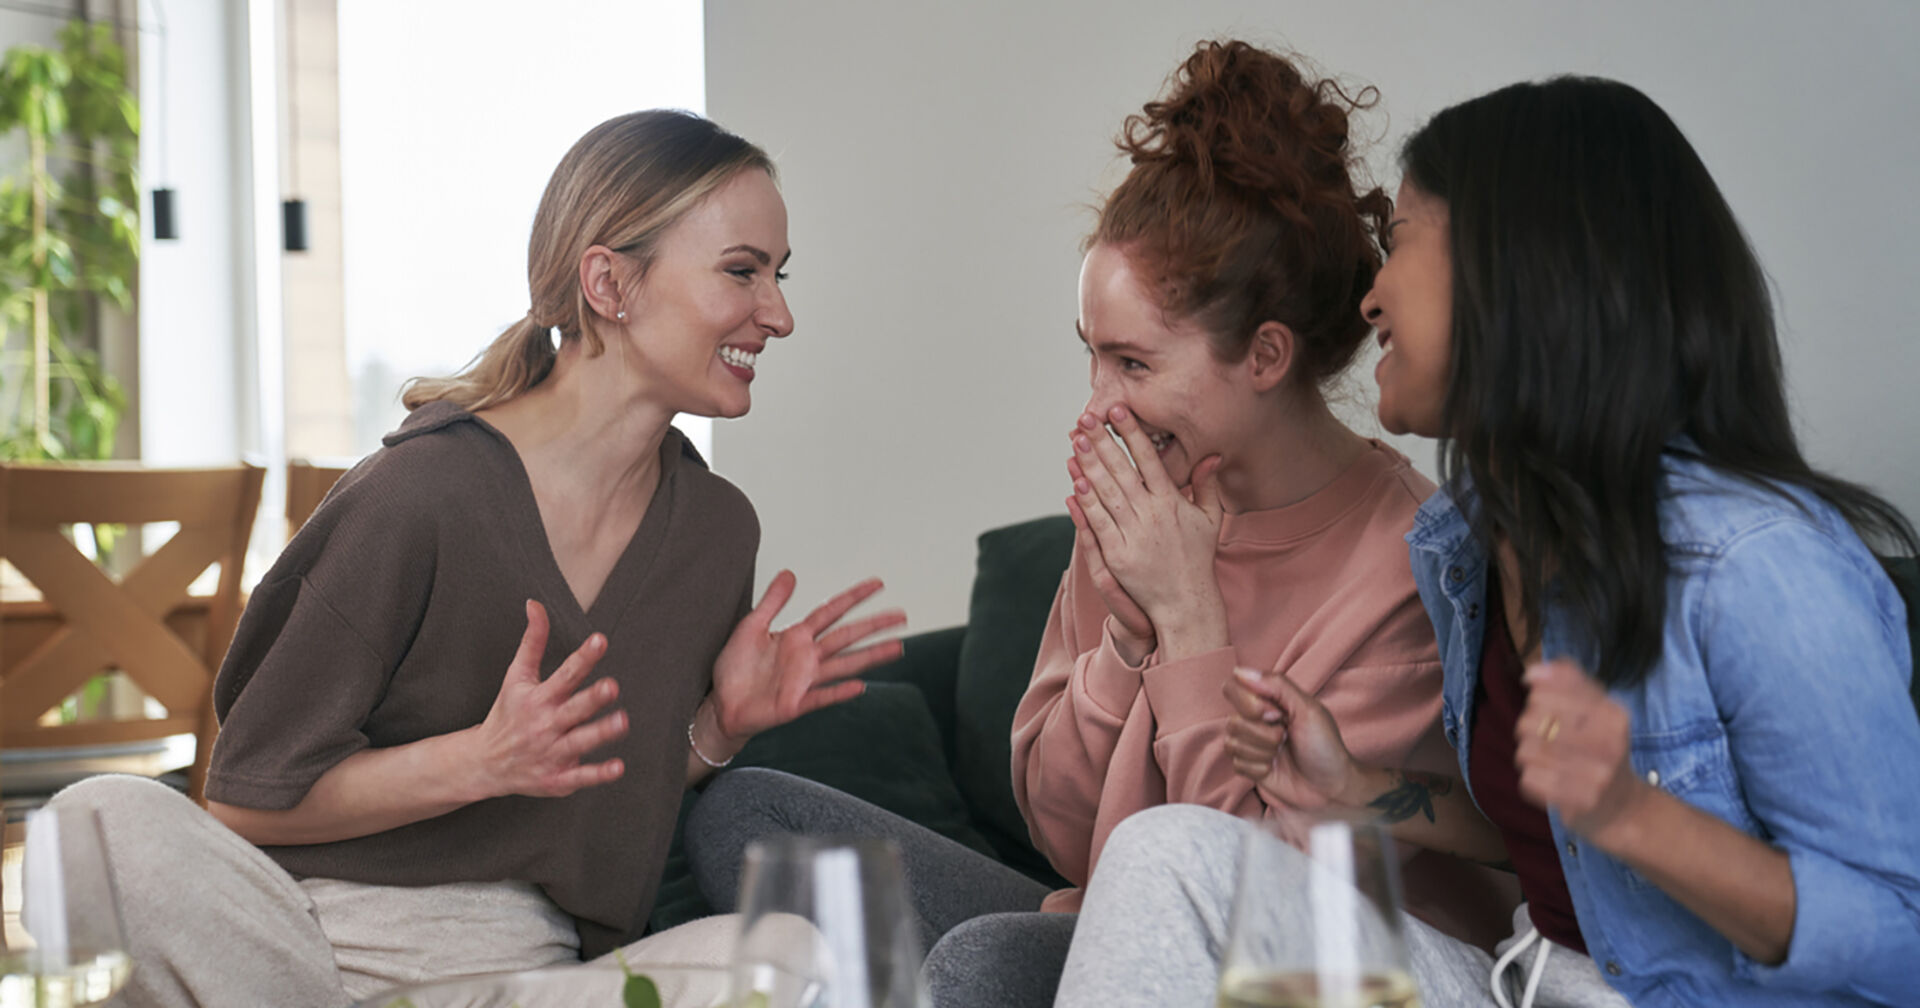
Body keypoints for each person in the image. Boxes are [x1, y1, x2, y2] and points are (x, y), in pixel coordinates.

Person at [1053, 75, 1920, 1008]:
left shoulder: (1761, 565)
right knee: (1168, 862)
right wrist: (1365, 789)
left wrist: (1636, 816)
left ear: (1526, 275)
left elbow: (1903, 941)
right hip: (1522, 984)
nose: (1372, 297)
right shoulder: (1473, 552)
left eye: (1408, 245)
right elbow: (1547, 839)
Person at [687, 41, 1508, 1008]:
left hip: (1309, 974)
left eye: (1133, 364)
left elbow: (1240, 910)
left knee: (981, 967)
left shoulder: (1411, 563)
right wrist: (1124, 641)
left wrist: (1192, 622)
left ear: (1265, 356)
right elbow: (1065, 836)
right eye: (1091, 356)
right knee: (747, 819)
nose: (1097, 407)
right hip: (1114, 922)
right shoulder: (1136, 503)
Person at [47, 109, 905, 1008]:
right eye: (743, 271)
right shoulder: (418, 494)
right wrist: (479, 762)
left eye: (777, 275)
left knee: (793, 949)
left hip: (521, 979)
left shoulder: (714, 531)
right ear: (609, 283)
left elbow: (608, 781)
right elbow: (244, 799)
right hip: (291, 954)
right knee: (98, 821)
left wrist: (720, 726)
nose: (779, 314)